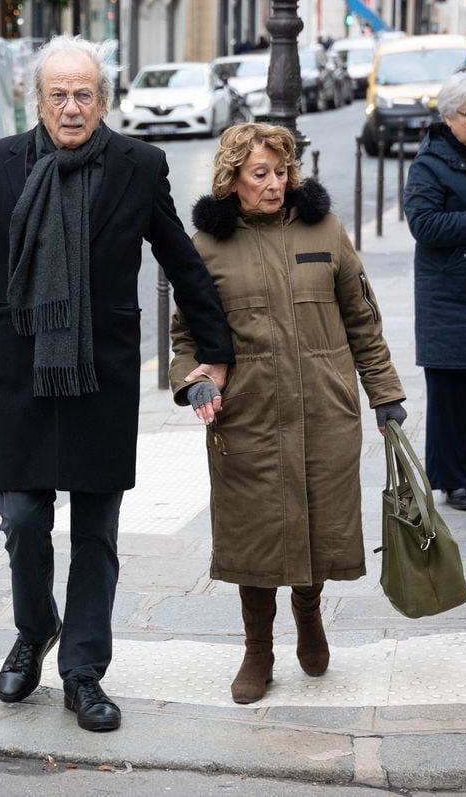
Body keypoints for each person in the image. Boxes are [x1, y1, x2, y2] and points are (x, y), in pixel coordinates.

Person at [0, 34, 235, 732]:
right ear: (37, 100)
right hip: (23, 372)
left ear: (103, 99)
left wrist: (215, 353)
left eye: (84, 94)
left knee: (96, 532)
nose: (72, 108)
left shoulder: (138, 165)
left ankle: (83, 671)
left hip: (101, 375)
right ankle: (35, 626)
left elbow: (183, 263)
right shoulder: (0, 163)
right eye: (58, 94)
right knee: (23, 521)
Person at [169, 123, 406, 704]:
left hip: (324, 408)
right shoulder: (207, 247)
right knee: (253, 531)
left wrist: (386, 394)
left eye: (281, 172)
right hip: (247, 413)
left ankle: (308, 613)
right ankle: (258, 649)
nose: (274, 185)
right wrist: (193, 384)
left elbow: (362, 319)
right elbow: (185, 341)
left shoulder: (324, 228)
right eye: (260, 175)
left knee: (320, 520)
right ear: (233, 180)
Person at [404, 71, 466, 510]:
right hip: (448, 295)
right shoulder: (430, 163)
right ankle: (454, 480)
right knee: (452, 393)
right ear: (449, 116)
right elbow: (423, 225)